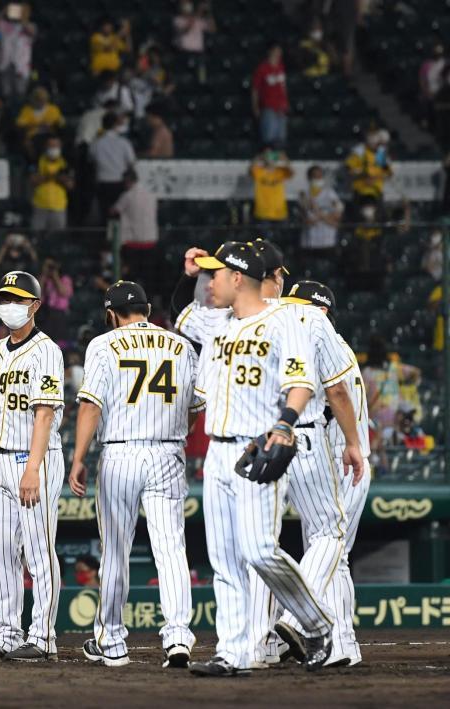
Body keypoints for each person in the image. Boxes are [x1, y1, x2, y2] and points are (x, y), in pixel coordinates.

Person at [173, 242, 352, 675]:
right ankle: (232, 653)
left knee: (259, 550)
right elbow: (182, 314)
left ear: (238, 278)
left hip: (258, 447)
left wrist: (286, 423)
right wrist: (188, 274)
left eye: (215, 275)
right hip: (217, 452)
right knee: (225, 559)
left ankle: (315, 622)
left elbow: (301, 382)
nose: (209, 282)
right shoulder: (220, 323)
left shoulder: (284, 320)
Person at [70, 280, 201, 668]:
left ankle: (111, 641)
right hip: (167, 452)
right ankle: (178, 637)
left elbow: (90, 406)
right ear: (147, 309)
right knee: (171, 549)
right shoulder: (181, 345)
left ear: (111, 314)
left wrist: (78, 457)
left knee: (115, 552)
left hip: (121, 454)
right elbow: (195, 407)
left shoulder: (102, 345)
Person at [0, 271, 65, 662]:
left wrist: (32, 468)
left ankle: (42, 637)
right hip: (3, 459)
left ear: (35, 305)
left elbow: (44, 414)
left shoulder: (47, 350)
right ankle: (8, 634)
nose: (9, 304)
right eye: (4, 297)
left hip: (34, 459)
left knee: (39, 551)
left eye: (17, 298)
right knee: (4, 552)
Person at [279, 280, 371, 668]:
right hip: (338, 461)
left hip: (341, 462)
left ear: (319, 311)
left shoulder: (323, 345)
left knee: (328, 546)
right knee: (336, 557)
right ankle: (343, 645)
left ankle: (296, 619)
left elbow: (331, 402)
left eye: (299, 306)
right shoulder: (330, 346)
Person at [110, 167, 159, 288]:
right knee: (147, 277)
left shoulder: (127, 196)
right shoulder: (151, 195)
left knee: (131, 276)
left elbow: (114, 211)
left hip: (133, 242)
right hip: (150, 241)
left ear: (127, 181)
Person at [89, 112, 136, 224]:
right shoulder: (124, 143)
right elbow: (132, 162)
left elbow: (91, 160)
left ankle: (108, 239)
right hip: (119, 182)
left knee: (106, 215)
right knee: (120, 215)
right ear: (116, 124)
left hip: (103, 183)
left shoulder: (96, 143)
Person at [0, 3, 37, 102]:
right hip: (6, 64)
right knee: (6, 94)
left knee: (20, 94)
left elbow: (31, 31)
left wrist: (24, 16)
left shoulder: (31, 26)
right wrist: (4, 11)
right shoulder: (6, 25)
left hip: (21, 67)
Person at [30, 137, 73, 231]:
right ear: (46, 147)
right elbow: (33, 180)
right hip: (40, 206)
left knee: (57, 239)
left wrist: (56, 178)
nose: (53, 148)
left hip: (59, 207)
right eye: (51, 146)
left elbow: (70, 185)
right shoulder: (38, 161)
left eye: (56, 146)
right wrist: (53, 177)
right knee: (37, 237)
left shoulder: (65, 164)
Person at [299, 165, 343, 253]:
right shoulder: (304, 193)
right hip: (310, 241)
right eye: (314, 176)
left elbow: (337, 215)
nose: (317, 179)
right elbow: (305, 219)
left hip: (328, 240)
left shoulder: (330, 193)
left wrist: (319, 215)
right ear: (309, 177)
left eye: (320, 176)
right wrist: (324, 217)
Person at [252, 44, 289, 148]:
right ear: (270, 52)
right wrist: (255, 107)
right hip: (268, 106)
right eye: (276, 52)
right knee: (269, 137)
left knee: (281, 138)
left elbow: (283, 86)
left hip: (281, 107)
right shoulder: (262, 69)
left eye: (280, 52)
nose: (278, 54)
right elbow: (255, 89)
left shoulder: (281, 67)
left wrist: (286, 102)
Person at [345, 127, 393, 208]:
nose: (375, 145)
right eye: (372, 142)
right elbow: (348, 169)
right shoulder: (359, 152)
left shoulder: (380, 155)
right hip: (360, 189)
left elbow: (388, 173)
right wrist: (361, 175)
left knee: (378, 215)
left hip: (376, 190)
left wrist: (375, 178)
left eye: (377, 143)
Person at [249, 147, 293, 235]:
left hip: (279, 211)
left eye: (272, 155)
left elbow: (291, 172)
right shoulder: (259, 171)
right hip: (263, 211)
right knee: (264, 242)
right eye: (267, 155)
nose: (269, 157)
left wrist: (284, 158)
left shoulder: (280, 171)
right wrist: (259, 157)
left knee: (282, 240)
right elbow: (250, 170)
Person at [15, 86, 64, 159]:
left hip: (50, 134)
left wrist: (51, 125)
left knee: (54, 142)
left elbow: (61, 122)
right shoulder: (27, 110)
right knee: (28, 144)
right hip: (33, 136)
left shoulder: (53, 109)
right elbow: (20, 125)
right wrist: (36, 125)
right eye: (38, 99)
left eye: (43, 99)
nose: (41, 102)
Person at [172, 1, 216, 82]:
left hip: (198, 53)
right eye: (185, 6)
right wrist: (200, 10)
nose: (187, 8)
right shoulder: (178, 20)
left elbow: (213, 29)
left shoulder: (198, 19)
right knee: (184, 79)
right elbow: (187, 29)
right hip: (185, 53)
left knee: (200, 78)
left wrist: (209, 13)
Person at [37, 258, 72, 344]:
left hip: (59, 314)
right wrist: (44, 274)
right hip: (45, 314)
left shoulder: (65, 279)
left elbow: (63, 292)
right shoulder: (43, 279)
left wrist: (55, 276)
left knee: (59, 342)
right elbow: (37, 294)